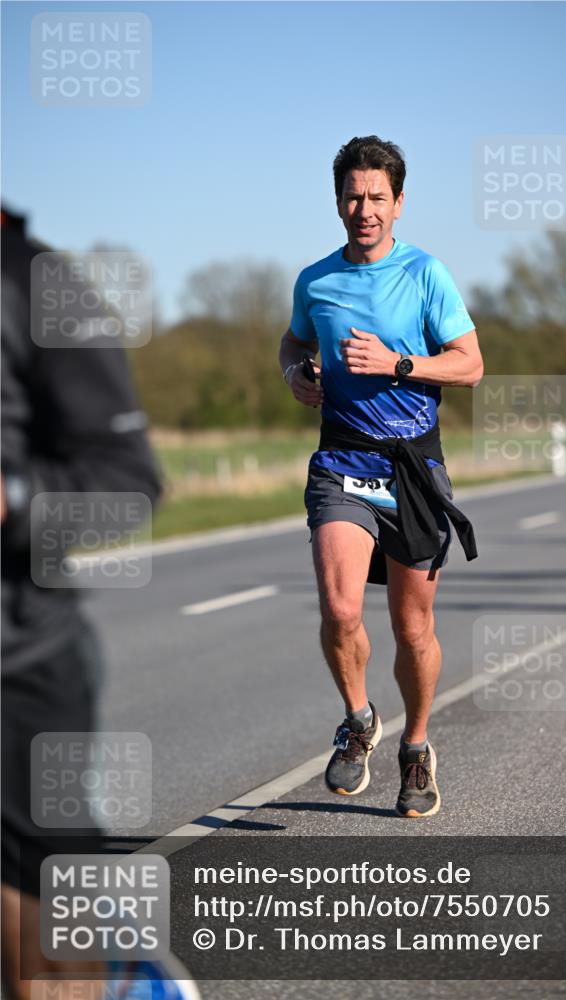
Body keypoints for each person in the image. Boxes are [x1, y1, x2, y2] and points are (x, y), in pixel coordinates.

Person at [1, 206, 197, 1000]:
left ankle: (111, 979)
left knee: (39, 961)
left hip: (16, 664)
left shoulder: (32, 281)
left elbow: (127, 479)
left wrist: (14, 498)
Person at [279, 137, 483, 819]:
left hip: (412, 467)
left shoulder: (425, 274)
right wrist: (294, 372)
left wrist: (397, 364)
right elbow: (293, 338)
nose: (363, 210)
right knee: (340, 610)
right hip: (342, 460)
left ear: (398, 203)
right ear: (337, 201)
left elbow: (469, 365)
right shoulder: (315, 280)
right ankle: (358, 718)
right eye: (352, 197)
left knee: (411, 627)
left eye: (376, 197)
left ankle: (416, 746)